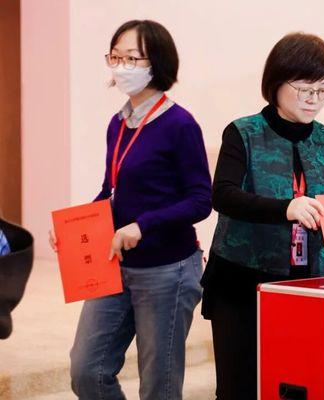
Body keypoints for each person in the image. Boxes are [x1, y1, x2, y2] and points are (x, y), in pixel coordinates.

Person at [200, 32, 324, 400]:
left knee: (297, 384)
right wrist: (286, 208)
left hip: (307, 283)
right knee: (240, 387)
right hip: (242, 281)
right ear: (276, 83)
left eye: (323, 91)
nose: (313, 100)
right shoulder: (243, 132)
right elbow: (223, 195)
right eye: (305, 89)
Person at [49, 20, 212, 399]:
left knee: (158, 386)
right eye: (116, 57)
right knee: (87, 370)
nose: (122, 67)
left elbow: (200, 199)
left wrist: (143, 225)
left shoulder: (180, 124)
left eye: (132, 59)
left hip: (168, 270)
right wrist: (75, 228)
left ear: (157, 62)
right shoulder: (118, 123)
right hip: (114, 265)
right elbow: (112, 190)